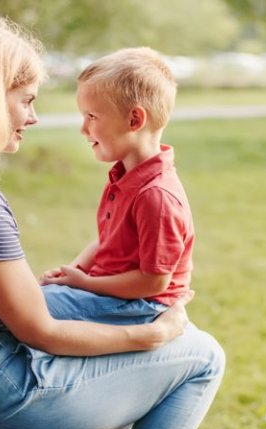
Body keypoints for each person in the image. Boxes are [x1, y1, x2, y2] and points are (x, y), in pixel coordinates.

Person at [0, 16, 224, 429]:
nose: (34, 117)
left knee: (63, 302)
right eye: (26, 100)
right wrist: (148, 338)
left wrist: (75, 283)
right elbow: (40, 331)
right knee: (204, 355)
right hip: (7, 399)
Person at [39, 47, 194, 327]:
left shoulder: (156, 196)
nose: (83, 129)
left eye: (92, 117)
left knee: (29, 309)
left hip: (142, 307)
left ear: (134, 120)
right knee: (33, 299)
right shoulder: (127, 177)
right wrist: (73, 271)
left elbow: (154, 281)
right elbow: (108, 240)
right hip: (112, 293)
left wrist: (86, 284)